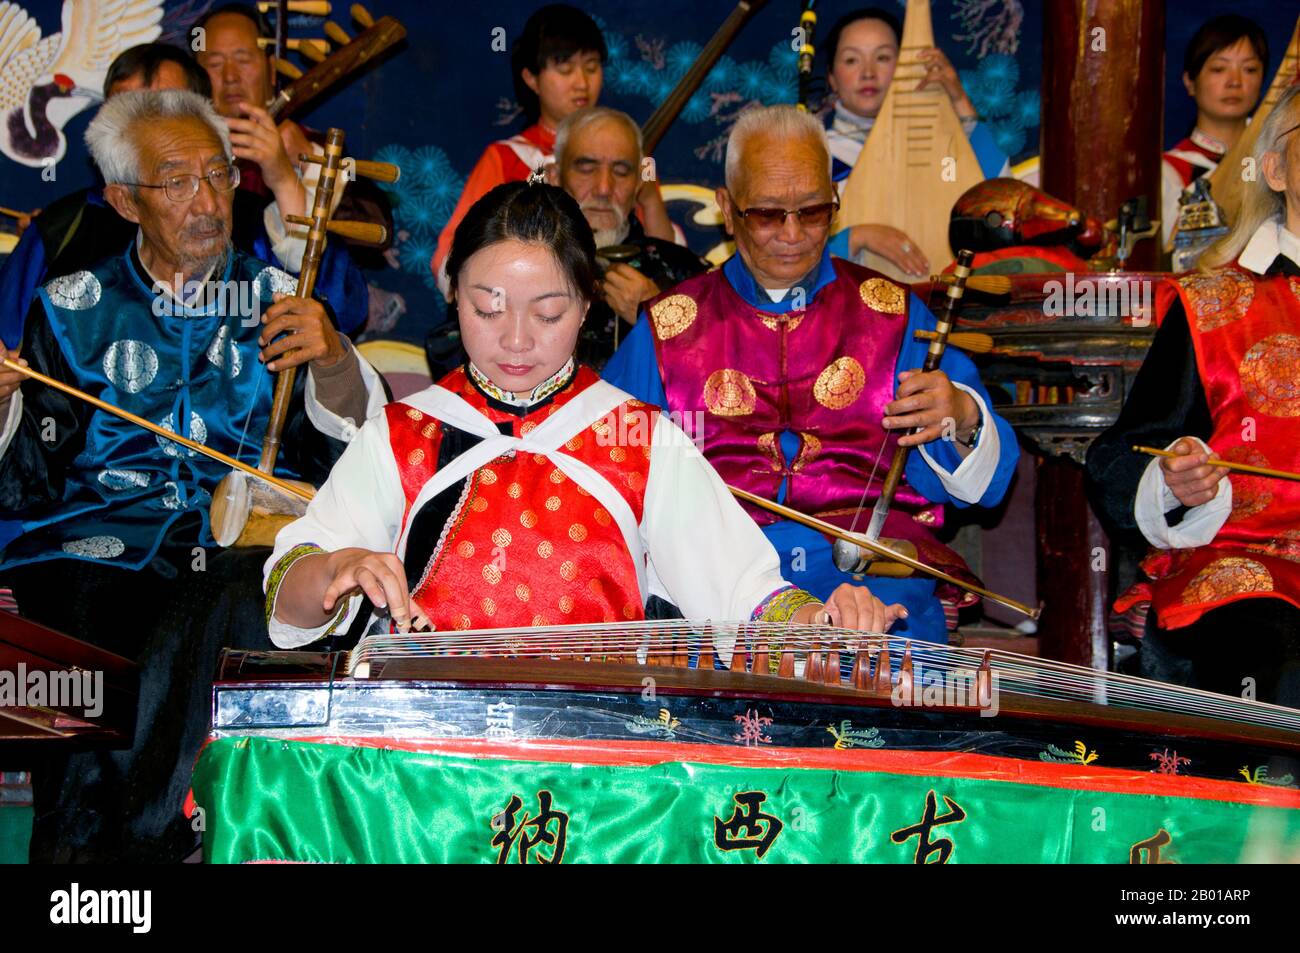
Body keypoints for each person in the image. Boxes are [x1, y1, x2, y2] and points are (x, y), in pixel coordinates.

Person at [0, 89, 386, 861]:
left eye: (218, 175)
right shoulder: (71, 307)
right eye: (176, 181)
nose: (208, 201)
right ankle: (93, 868)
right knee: (79, 636)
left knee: (234, 603)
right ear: (123, 200)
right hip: (88, 552)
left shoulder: (282, 299)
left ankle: (144, 854)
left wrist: (335, 358)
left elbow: (350, 457)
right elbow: (27, 484)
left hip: (231, 547)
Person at [268, 180, 905, 647]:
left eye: (548, 314)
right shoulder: (406, 434)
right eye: (488, 309)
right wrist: (335, 569)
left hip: (597, 754)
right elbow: (288, 594)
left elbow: (740, 588)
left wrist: (824, 621)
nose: (517, 340)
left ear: (587, 305)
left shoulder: (637, 436)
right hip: (430, 756)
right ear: (452, 293)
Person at [604, 105, 1019, 645]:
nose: (793, 234)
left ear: (836, 205)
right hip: (716, 585)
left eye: (813, 211)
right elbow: (608, 474)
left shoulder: (892, 315)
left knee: (887, 693)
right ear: (728, 211)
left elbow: (984, 491)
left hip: (874, 575)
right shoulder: (669, 328)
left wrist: (963, 417)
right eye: (768, 214)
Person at [1086, 85, 1300, 709]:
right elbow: (1118, 457)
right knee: (1280, 654)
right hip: (1248, 568)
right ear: (1277, 169)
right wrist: (1171, 482)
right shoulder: (1212, 307)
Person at [0, 40, 370, 346]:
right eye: (125, 114)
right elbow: (11, 347)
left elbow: (339, 312)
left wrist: (286, 184)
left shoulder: (243, 221)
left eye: (164, 110)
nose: (146, 133)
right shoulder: (62, 228)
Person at [431, 4, 675, 298]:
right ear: (531, 78)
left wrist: (650, 200)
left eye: (592, 67)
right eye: (565, 68)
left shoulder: (635, 157)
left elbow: (671, 263)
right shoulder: (506, 158)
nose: (582, 83)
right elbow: (451, 260)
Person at [820, 7, 1010, 276]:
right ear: (831, 77)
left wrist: (958, 101)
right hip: (854, 312)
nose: (868, 72)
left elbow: (1002, 206)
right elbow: (782, 258)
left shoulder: (945, 149)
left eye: (883, 57)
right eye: (852, 60)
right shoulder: (818, 157)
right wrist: (857, 237)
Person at [550, 106, 708, 368]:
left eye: (621, 172)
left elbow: (725, 375)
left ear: (638, 184)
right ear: (555, 177)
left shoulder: (683, 271)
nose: (604, 188)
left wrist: (659, 314)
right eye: (587, 169)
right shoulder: (518, 267)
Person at [1162, 14, 1268, 250]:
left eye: (1250, 69)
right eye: (1219, 69)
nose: (1235, 81)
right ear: (1190, 81)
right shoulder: (1168, 171)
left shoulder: (1276, 159)